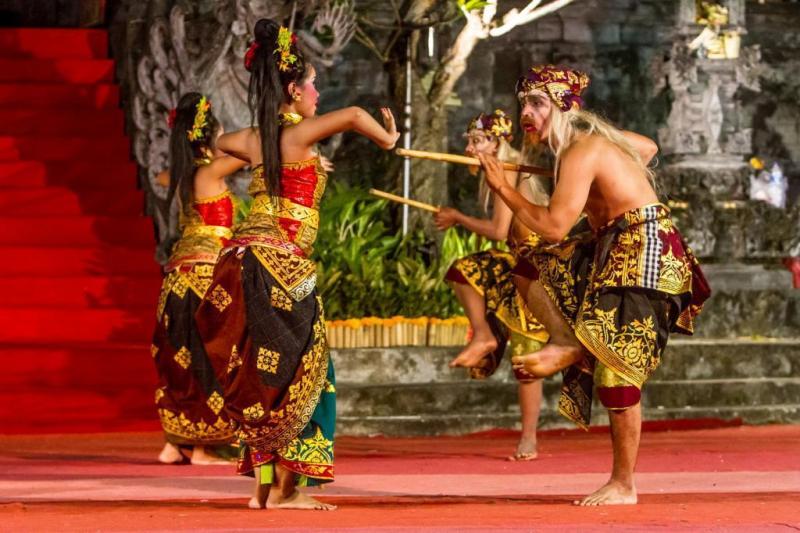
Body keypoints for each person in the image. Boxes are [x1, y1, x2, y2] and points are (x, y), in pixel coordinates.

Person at [478, 65, 710, 506]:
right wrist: (605, 154)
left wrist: (502, 187)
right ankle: (565, 339)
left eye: (538, 103)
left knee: (615, 368)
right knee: (530, 268)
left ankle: (624, 484)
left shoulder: (580, 150)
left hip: (643, 252)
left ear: (564, 107)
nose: (526, 113)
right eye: (524, 103)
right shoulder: (585, 147)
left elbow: (553, 227)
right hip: (612, 245)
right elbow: (648, 147)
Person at [195, 19, 399, 511]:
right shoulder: (300, 135)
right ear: (293, 90)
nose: (317, 93)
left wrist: (265, 153)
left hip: (242, 259)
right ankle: (290, 492)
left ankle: (263, 488)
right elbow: (354, 114)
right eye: (312, 83)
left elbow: (219, 145)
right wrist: (388, 140)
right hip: (281, 265)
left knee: (262, 373)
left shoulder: (253, 140)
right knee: (308, 372)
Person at [435, 109, 549, 461]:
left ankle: (529, 438)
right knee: (464, 271)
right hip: (519, 261)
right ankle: (483, 334)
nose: (469, 149)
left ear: (497, 143)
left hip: (536, 266)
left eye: (477, 141)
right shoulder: (499, 171)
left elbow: (499, 231)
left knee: (527, 352)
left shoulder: (507, 172)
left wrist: (457, 217)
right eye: (469, 141)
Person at [151, 92, 247, 465]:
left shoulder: (174, 176)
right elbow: (250, 151)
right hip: (206, 276)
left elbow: (162, 175)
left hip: (177, 278)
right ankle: (205, 447)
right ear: (210, 135)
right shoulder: (209, 172)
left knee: (180, 356)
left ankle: (174, 443)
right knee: (211, 357)